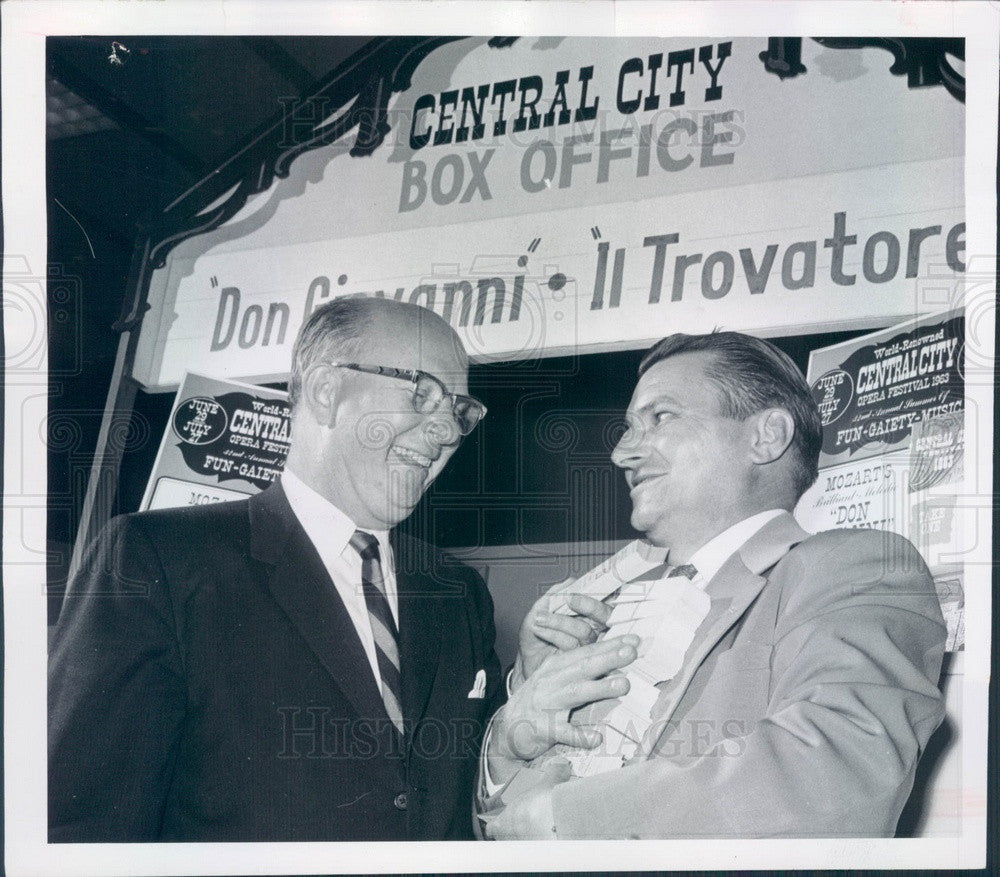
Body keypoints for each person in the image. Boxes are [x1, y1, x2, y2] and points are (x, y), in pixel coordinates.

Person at [49, 297, 504, 841]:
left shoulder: (459, 593)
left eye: (459, 409)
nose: (448, 432)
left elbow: (477, 803)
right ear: (326, 392)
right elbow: (84, 828)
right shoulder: (156, 561)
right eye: (423, 393)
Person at [479, 331, 947, 839]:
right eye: (629, 426)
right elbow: (500, 825)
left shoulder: (859, 567)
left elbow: (840, 767)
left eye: (660, 417)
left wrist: (566, 817)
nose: (621, 453)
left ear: (766, 437)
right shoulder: (596, 612)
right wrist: (509, 736)